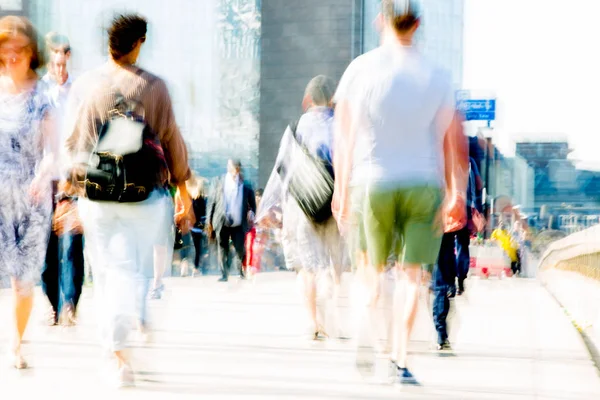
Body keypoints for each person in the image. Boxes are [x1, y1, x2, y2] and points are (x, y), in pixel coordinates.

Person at [332, 0, 468, 385]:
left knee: (370, 270)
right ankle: (399, 358)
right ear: (418, 24)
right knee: (412, 277)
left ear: (381, 21)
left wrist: (341, 189)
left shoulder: (361, 69)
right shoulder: (437, 75)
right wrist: (456, 191)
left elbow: (344, 138)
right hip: (423, 184)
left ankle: (366, 328)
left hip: (371, 181)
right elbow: (453, 142)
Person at [62, 13, 191, 387]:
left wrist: (68, 192)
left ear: (109, 45)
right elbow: (172, 141)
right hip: (145, 197)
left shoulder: (89, 86)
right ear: (139, 43)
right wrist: (183, 191)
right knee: (129, 269)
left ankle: (116, 353)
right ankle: (120, 347)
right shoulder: (154, 87)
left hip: (97, 196)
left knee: (107, 273)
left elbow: (74, 145)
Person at [0, 16, 57, 369]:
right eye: (6, 48)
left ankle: (17, 344)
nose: (12, 54)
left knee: (22, 280)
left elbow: (52, 151)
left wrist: (43, 175)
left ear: (31, 51)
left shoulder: (44, 98)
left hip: (32, 199)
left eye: (19, 48)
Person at [40, 32, 84, 327]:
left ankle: (70, 303)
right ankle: (54, 304)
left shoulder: (79, 92)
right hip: (45, 179)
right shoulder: (39, 92)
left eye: (64, 63)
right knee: (47, 251)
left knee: (72, 247)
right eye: (55, 63)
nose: (60, 70)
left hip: (72, 180)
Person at [207, 159, 256, 282]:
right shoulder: (218, 182)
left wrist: (252, 212)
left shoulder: (245, 184)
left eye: (237, 168)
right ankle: (224, 274)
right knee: (222, 247)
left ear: (239, 169)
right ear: (228, 168)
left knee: (240, 247)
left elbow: (252, 203)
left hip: (238, 222)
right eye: (233, 168)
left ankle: (240, 271)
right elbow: (211, 202)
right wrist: (209, 220)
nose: (235, 171)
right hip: (222, 220)